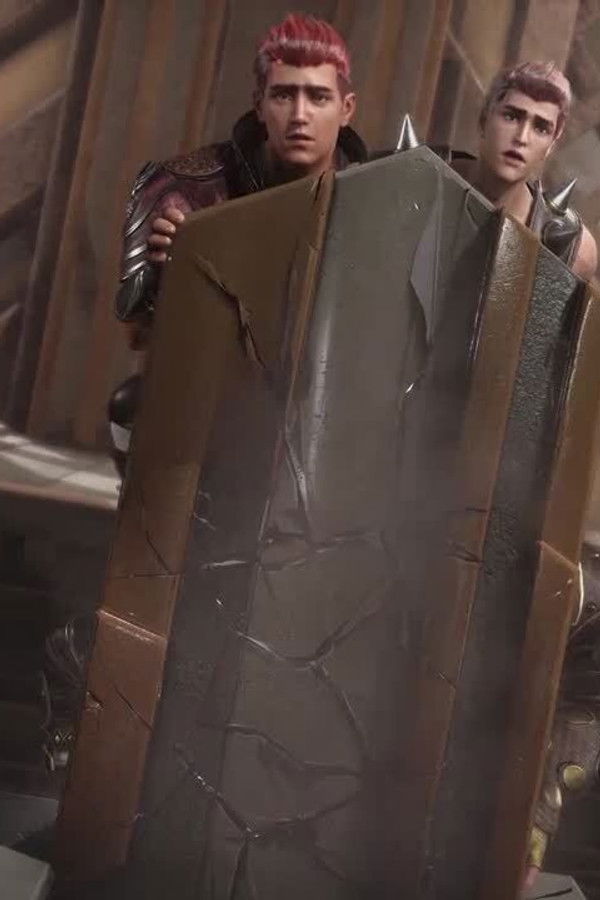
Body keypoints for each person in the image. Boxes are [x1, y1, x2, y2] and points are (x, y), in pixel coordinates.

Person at [108, 12, 366, 474]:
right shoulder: (183, 187)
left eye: (318, 96)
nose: (300, 115)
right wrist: (181, 278)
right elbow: (138, 334)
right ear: (259, 104)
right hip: (212, 403)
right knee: (133, 406)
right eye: (283, 95)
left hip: (329, 405)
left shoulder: (377, 197)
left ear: (346, 109)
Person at [448, 61, 597, 281]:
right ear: (484, 119)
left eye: (541, 128)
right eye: (511, 116)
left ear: (551, 144)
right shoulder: (421, 175)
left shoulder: (569, 248)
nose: (522, 138)